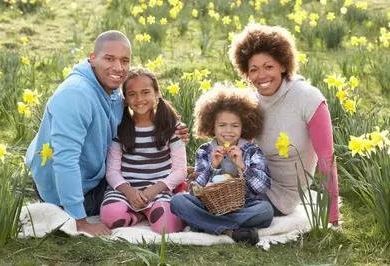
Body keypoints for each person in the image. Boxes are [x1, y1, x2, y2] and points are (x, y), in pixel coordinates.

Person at [25, 31, 188, 236]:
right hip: (66, 188)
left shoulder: (112, 90)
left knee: (151, 195)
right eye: (109, 59)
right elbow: (65, 162)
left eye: (124, 60)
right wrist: (80, 222)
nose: (118, 68)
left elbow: (140, 117)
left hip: (95, 177)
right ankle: (145, 209)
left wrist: (173, 128)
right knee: (113, 211)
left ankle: (161, 199)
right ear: (92, 59)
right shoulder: (75, 95)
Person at [228, 23, 339, 224]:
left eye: (268, 66)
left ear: (283, 65)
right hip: (253, 183)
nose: (261, 76)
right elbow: (237, 146)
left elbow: (326, 158)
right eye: (253, 70)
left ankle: (214, 221)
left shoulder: (308, 97)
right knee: (198, 198)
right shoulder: (253, 102)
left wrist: (332, 218)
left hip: (282, 198)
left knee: (229, 209)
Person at [170, 85, 273, 245]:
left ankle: (206, 223)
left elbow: (263, 187)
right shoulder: (205, 150)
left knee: (266, 210)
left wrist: (242, 166)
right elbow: (195, 190)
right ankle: (230, 231)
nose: (228, 131)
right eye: (222, 125)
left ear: (243, 126)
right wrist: (212, 166)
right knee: (178, 201)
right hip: (211, 206)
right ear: (212, 126)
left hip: (244, 205)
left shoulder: (251, 150)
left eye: (235, 125)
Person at [100, 67, 186, 234]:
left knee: (167, 228)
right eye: (132, 94)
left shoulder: (171, 128)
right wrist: (130, 192)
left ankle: (149, 212)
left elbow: (180, 170)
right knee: (110, 217)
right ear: (125, 99)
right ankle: (137, 215)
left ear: (157, 93)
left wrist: (153, 190)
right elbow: (112, 171)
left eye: (145, 92)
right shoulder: (120, 129)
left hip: (158, 190)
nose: (139, 99)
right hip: (125, 191)